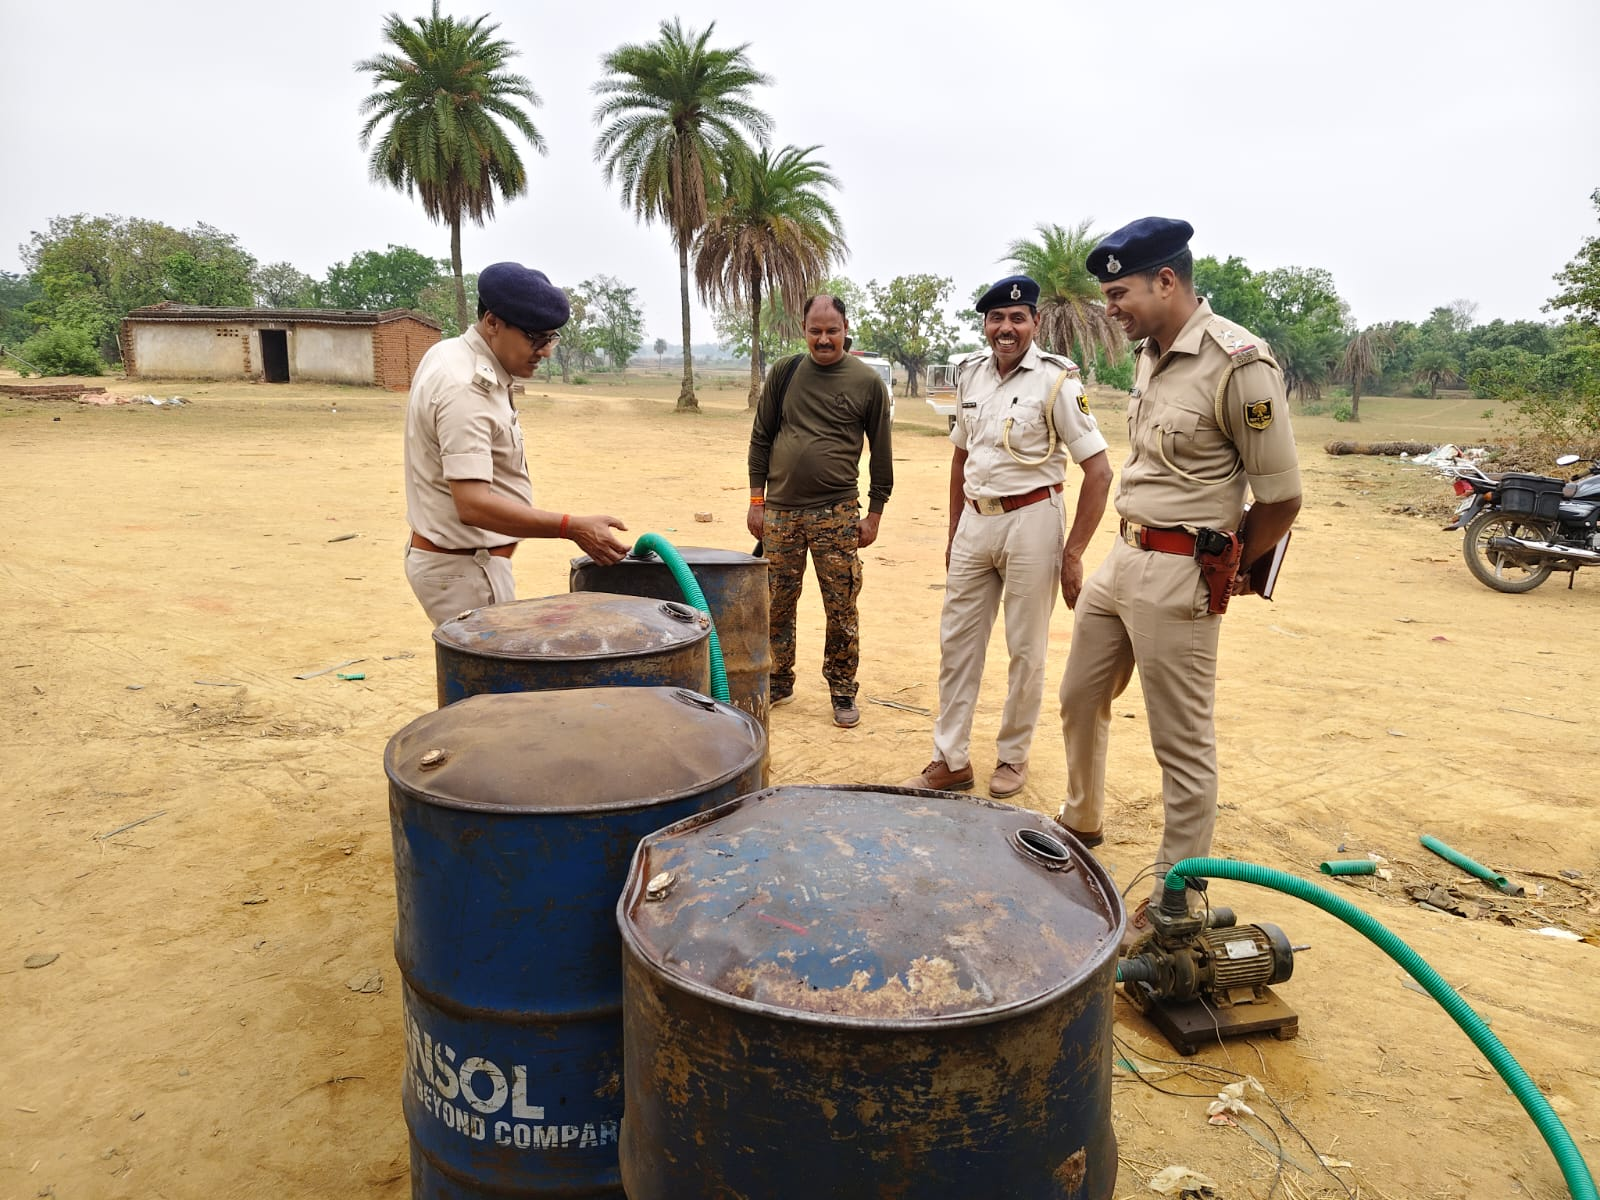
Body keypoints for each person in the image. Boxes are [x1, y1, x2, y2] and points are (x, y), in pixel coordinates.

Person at [1053, 217, 1302, 936]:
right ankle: (1081, 821)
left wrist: (1231, 564)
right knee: (1079, 696)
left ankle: (1176, 895)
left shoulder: (1238, 364)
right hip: (1124, 556)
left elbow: (1282, 496)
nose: (1111, 308)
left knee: (1181, 743)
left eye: (1120, 293)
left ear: (1167, 281)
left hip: (1182, 571)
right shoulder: (1149, 354)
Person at [903, 276, 1112, 798]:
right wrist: (953, 531)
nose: (1006, 328)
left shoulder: (1057, 381)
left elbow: (1099, 470)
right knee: (957, 644)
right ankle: (950, 759)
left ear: (1035, 323)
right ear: (985, 324)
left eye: (1018, 318)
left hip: (1033, 520)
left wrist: (1073, 554)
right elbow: (961, 457)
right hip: (976, 521)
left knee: (1026, 649)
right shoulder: (970, 374)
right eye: (996, 318)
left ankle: (1013, 757)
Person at [403, 262, 629, 626]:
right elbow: (472, 505)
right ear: (493, 322)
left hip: (470, 562)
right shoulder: (465, 388)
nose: (546, 351)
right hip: (465, 570)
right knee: (491, 664)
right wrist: (571, 527)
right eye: (535, 339)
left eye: (551, 338)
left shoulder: (452, 353)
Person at [746, 294, 894, 728]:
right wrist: (757, 502)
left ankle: (843, 689)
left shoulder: (867, 382)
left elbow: (881, 453)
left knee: (841, 606)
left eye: (832, 331)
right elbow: (761, 438)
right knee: (775, 603)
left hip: (837, 512)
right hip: (780, 514)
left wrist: (875, 513)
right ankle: (777, 680)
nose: (824, 339)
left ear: (846, 329)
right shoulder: (785, 372)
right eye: (816, 331)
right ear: (804, 330)